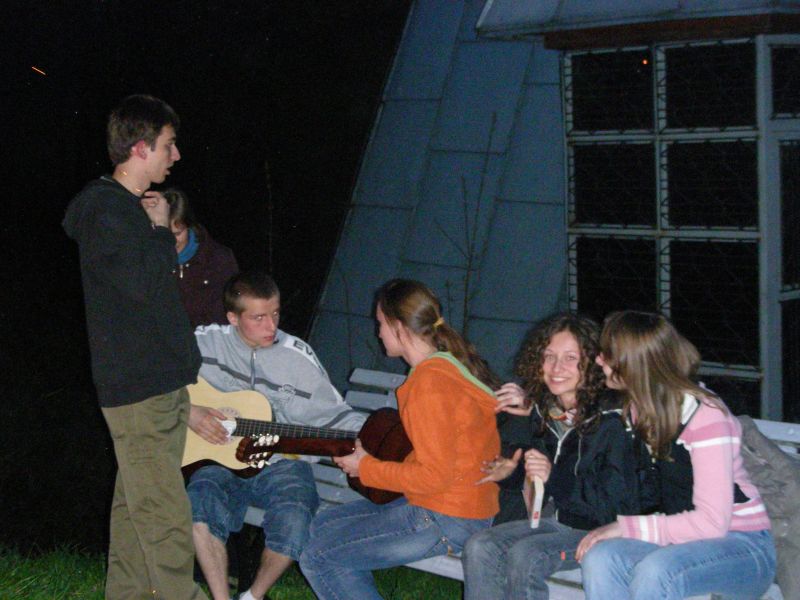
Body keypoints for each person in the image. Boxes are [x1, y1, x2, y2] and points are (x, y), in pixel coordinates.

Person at [62, 95, 206, 599]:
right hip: (138, 388)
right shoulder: (106, 211)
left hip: (159, 383)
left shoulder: (125, 210)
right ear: (141, 148)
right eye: (169, 145)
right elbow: (143, 284)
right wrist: (161, 231)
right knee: (164, 513)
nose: (176, 155)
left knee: (136, 508)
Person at [298, 278, 501, 600]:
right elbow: (442, 455)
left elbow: (434, 476)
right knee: (323, 525)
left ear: (398, 326)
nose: (378, 332)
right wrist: (369, 462)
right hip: (451, 504)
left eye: (380, 323)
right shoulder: (443, 367)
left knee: (319, 558)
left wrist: (366, 467)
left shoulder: (430, 384)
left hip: (448, 515)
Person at [187, 270, 366, 600]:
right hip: (218, 458)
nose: (271, 326)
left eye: (275, 314)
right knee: (200, 506)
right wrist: (190, 411)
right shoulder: (204, 342)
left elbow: (336, 414)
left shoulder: (297, 356)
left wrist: (370, 436)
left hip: (283, 460)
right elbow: (153, 379)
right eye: (258, 318)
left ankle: (253, 597)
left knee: (296, 517)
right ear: (233, 318)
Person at [577, 310, 776, 600]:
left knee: (658, 570)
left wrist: (626, 526)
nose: (598, 360)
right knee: (601, 558)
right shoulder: (638, 410)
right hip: (682, 542)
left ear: (633, 362)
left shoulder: (705, 415)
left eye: (607, 354)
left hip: (744, 547)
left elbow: (711, 523)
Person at [462, 313, 648, 600]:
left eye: (571, 358)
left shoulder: (613, 420)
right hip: (559, 522)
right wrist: (512, 474)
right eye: (549, 356)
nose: (557, 367)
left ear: (592, 363)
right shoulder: (547, 412)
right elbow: (545, 484)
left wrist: (553, 476)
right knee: (480, 546)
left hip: (604, 532)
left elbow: (617, 506)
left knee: (526, 555)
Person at [164, 188, 239, 327]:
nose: (172, 241)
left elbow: (229, 312)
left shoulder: (218, 258)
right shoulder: (150, 259)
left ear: (189, 226)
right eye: (165, 234)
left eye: (177, 233)